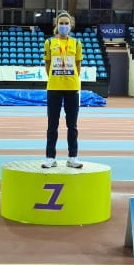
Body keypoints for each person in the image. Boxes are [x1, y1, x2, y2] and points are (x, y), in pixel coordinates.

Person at [42, 11, 83, 169]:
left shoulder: (77, 44)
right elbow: (47, 64)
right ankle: (50, 157)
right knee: (52, 125)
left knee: (72, 125)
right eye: (61, 23)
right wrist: (55, 78)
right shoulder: (49, 43)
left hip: (72, 88)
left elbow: (78, 65)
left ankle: (72, 157)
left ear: (71, 25)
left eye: (66, 23)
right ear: (56, 25)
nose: (64, 26)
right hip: (54, 88)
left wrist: (70, 78)